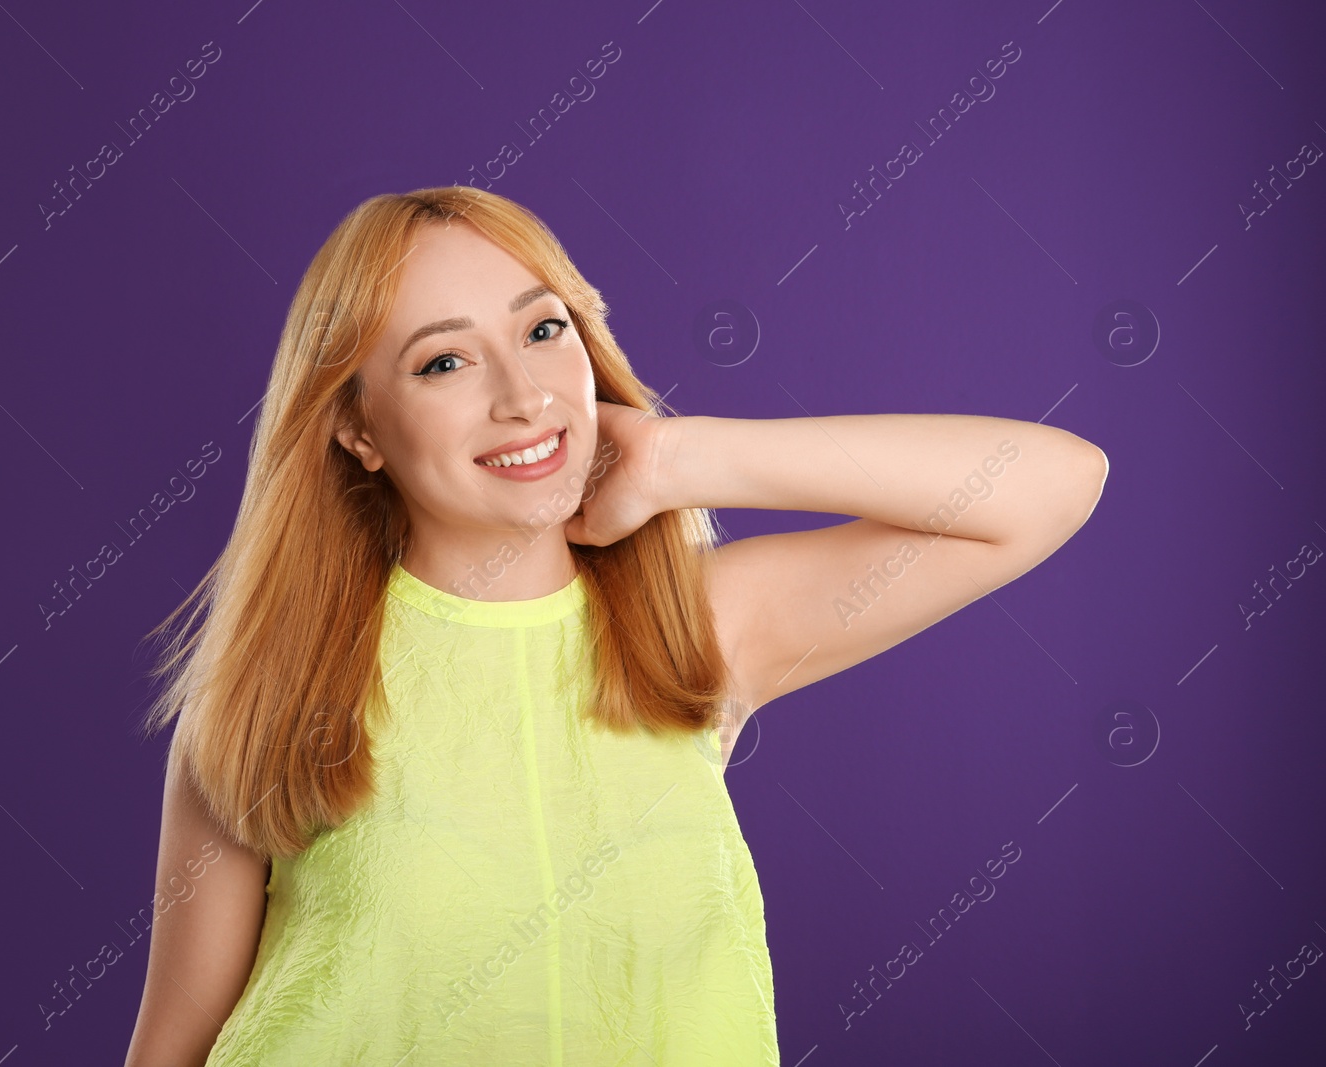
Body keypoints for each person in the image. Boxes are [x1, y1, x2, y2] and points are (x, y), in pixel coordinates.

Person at [120, 186, 1109, 1066]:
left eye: (545, 331)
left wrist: (683, 458)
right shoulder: (267, 693)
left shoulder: (697, 630)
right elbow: (174, 1046)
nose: (524, 396)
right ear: (357, 427)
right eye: (445, 360)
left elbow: (1053, 484)